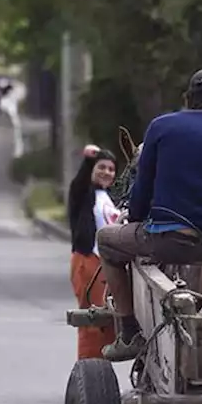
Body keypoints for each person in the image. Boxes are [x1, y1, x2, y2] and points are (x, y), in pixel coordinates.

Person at [95, 68, 202, 361]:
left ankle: (129, 332)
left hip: (170, 242)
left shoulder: (161, 127)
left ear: (187, 98)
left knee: (106, 239)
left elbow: (142, 193)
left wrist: (136, 221)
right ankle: (201, 309)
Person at [67, 145, 122, 359]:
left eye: (111, 169)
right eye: (101, 167)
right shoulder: (83, 194)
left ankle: (102, 366)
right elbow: (80, 183)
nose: (106, 172)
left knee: (110, 318)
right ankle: (89, 368)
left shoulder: (108, 197)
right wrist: (89, 159)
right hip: (88, 261)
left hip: (107, 264)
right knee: (93, 318)